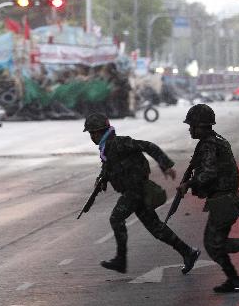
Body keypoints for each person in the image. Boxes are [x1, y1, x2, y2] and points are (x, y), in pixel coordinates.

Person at [83, 113, 200, 274]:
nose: (91, 137)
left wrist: (165, 164)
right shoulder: (107, 147)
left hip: (135, 190)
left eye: (92, 133)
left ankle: (121, 260)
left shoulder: (119, 143)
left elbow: (148, 145)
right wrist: (101, 179)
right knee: (156, 228)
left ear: (100, 131)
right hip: (134, 191)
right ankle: (188, 252)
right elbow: (108, 167)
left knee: (116, 219)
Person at [178, 104, 239, 293]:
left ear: (201, 126)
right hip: (225, 198)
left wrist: (188, 184)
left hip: (224, 200)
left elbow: (209, 173)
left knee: (214, 244)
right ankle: (234, 280)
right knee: (216, 242)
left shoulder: (209, 144)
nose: (190, 129)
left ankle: (234, 280)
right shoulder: (214, 141)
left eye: (192, 125)